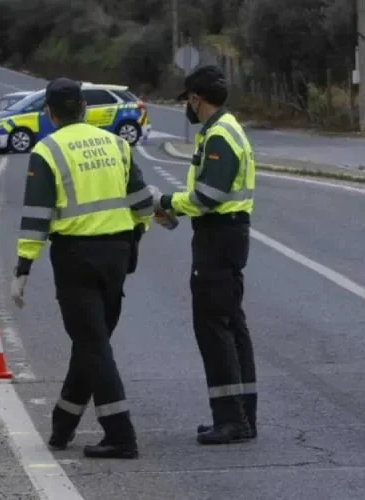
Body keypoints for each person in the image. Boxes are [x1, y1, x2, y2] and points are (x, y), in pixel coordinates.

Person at [10, 78, 155, 459]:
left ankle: (121, 434)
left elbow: (36, 216)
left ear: (49, 114)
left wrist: (23, 267)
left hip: (76, 258)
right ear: (85, 109)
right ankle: (63, 423)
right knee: (93, 342)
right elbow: (141, 201)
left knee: (92, 343)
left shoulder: (47, 151)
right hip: (118, 255)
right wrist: (140, 232)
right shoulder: (117, 143)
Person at [150, 65, 258, 445]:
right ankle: (242, 415)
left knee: (214, 328)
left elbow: (207, 198)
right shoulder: (223, 130)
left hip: (219, 237)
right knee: (231, 325)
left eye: (189, 101)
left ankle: (232, 420)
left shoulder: (220, 137)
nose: (188, 108)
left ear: (196, 99)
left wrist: (165, 201)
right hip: (226, 236)